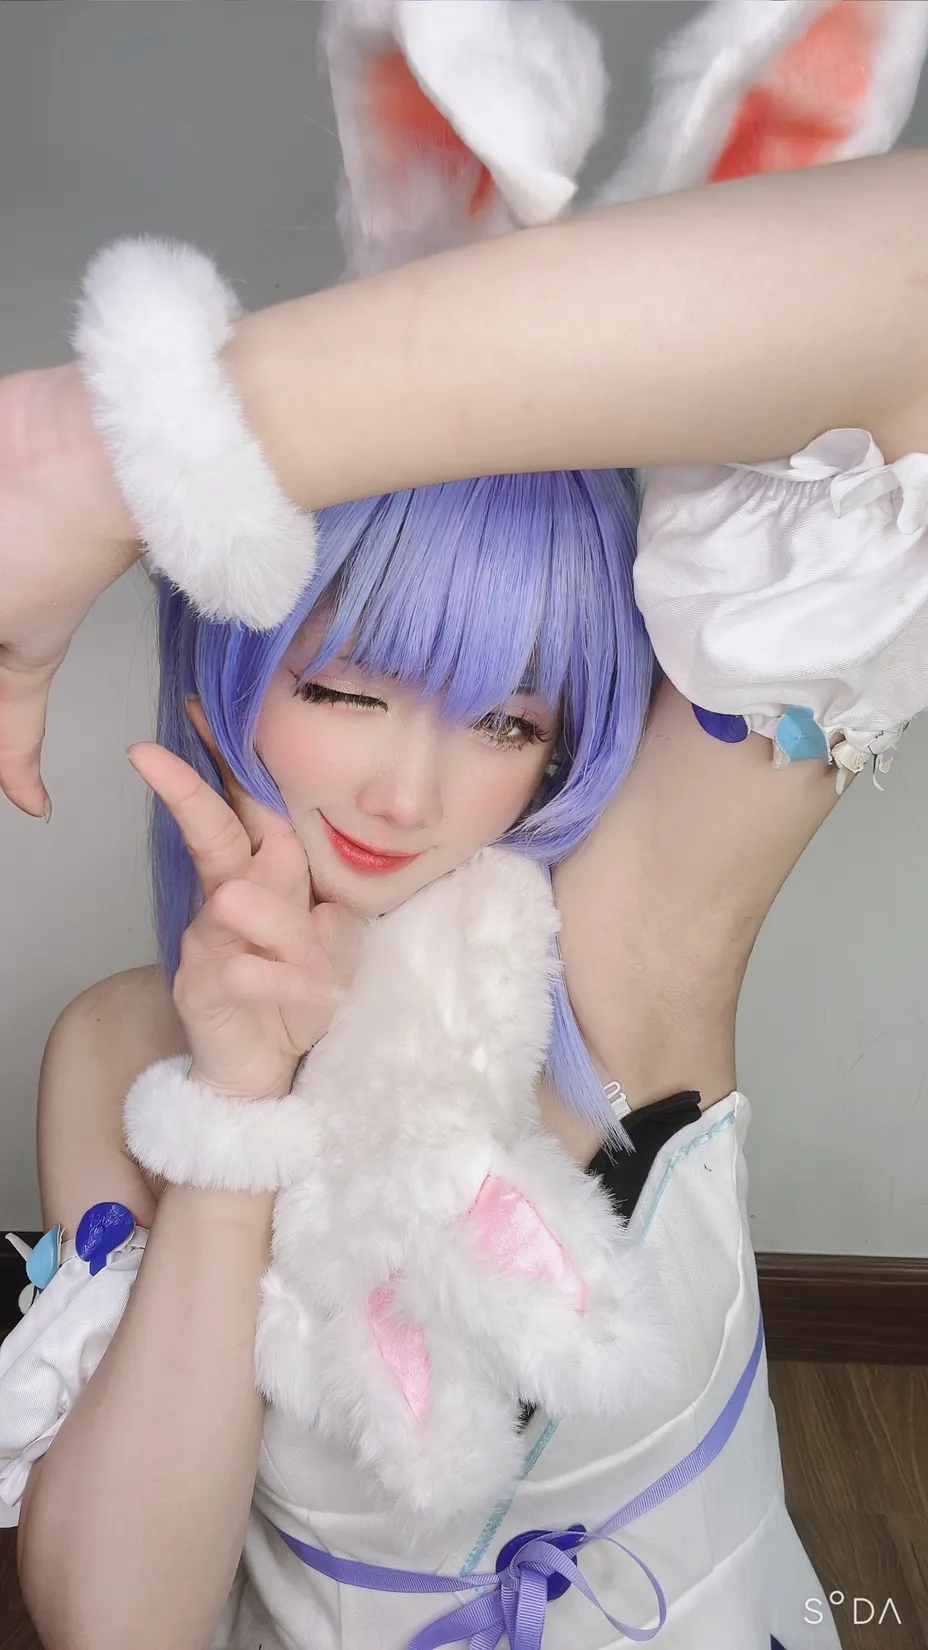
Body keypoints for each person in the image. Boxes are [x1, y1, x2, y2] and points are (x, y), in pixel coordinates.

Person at [2, 3, 928, 1647]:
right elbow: (118, 1624)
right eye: (348, 685)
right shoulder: (121, 1054)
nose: (409, 794)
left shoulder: (617, 942)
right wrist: (236, 1106)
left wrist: (112, 450)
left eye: (507, 718)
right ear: (230, 652)